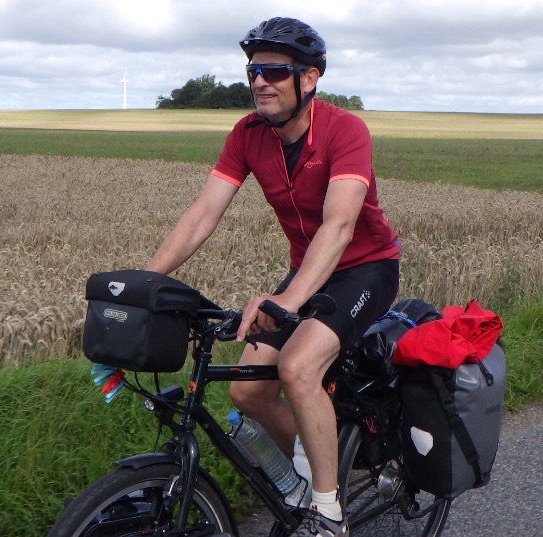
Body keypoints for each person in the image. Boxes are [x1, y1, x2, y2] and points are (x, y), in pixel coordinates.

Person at [145, 16, 400, 537]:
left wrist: (290, 298)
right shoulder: (246, 135)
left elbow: (341, 223)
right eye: (253, 70)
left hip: (364, 268)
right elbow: (202, 214)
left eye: (274, 71)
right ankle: (316, 474)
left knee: (299, 368)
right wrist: (146, 283)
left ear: (309, 79)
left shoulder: (345, 130)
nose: (260, 81)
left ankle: (329, 515)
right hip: (306, 269)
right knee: (247, 393)